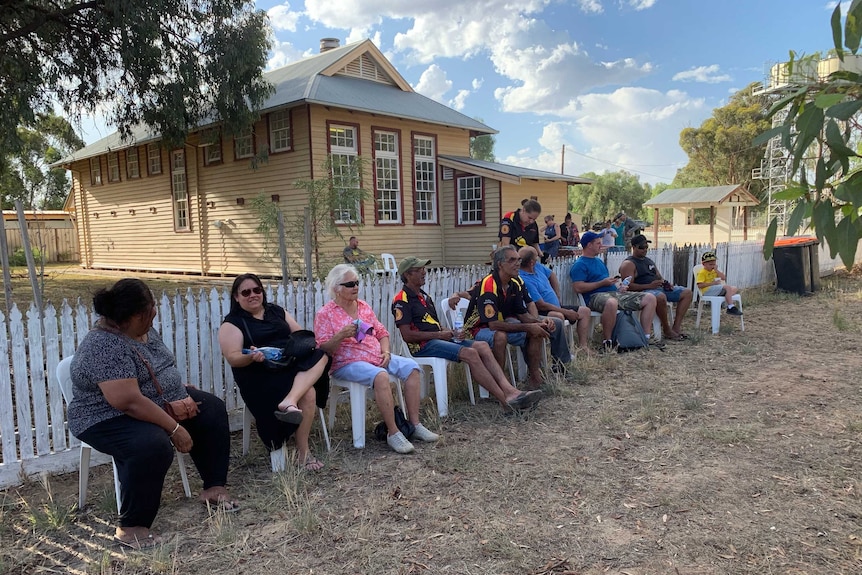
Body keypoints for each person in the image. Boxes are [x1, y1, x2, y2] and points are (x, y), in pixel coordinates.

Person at [68, 278, 238, 550]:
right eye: (151, 309)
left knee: (212, 409)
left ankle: (213, 488)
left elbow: (158, 369)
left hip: (158, 401)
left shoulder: (142, 330)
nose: (155, 313)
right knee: (151, 445)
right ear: (134, 315)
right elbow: (128, 401)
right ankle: (131, 526)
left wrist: (179, 390)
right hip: (105, 417)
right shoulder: (104, 345)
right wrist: (174, 428)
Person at [315, 264, 439, 454]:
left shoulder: (363, 306)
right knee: (381, 375)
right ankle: (393, 432)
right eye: (350, 284)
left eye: (356, 283)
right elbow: (323, 349)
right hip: (347, 363)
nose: (355, 287)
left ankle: (414, 425)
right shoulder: (326, 314)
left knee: (412, 368)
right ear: (336, 288)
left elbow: (382, 333)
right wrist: (340, 335)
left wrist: (387, 352)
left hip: (375, 356)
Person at [392, 256, 542, 411]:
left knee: (482, 346)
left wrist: (450, 332)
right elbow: (407, 335)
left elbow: (432, 325)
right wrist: (439, 335)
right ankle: (505, 400)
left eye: (424, 269)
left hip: (437, 339)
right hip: (422, 346)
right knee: (470, 353)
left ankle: (511, 391)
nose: (424, 273)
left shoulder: (424, 296)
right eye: (419, 270)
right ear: (408, 275)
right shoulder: (401, 300)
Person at [218, 273, 330, 471]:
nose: (252, 295)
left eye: (257, 290)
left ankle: (291, 406)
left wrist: (296, 346)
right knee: (309, 392)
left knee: (322, 355)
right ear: (236, 297)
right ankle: (302, 450)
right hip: (258, 373)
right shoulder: (232, 323)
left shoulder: (276, 311)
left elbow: (299, 334)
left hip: (286, 364)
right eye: (246, 292)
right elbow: (233, 358)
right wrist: (251, 357)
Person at [464, 245, 553, 390]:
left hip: (501, 324)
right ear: (500, 264)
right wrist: (528, 326)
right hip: (476, 329)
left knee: (536, 330)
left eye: (519, 259)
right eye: (512, 260)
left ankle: (535, 377)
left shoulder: (515, 282)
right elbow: (492, 325)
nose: (517, 263)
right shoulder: (489, 284)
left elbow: (523, 315)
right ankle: (501, 384)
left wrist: (539, 322)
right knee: (500, 337)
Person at [569, 231, 657, 351]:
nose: (601, 245)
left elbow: (606, 282)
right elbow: (578, 287)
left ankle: (644, 337)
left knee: (650, 298)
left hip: (613, 294)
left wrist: (620, 287)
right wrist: (602, 283)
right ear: (589, 245)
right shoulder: (579, 264)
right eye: (598, 243)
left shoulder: (599, 261)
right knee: (611, 303)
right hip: (594, 297)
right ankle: (608, 341)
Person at [517, 246, 593, 354]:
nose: (539, 257)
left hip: (555, 306)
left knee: (585, 311)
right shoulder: (524, 279)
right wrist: (565, 311)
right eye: (536, 257)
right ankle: (561, 353)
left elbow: (551, 274)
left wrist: (557, 294)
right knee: (558, 316)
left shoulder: (536, 267)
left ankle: (583, 346)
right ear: (531, 262)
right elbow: (540, 305)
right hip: (543, 310)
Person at [618, 235, 693, 341]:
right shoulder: (628, 264)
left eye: (646, 246)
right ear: (633, 247)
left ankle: (676, 327)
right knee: (660, 297)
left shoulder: (648, 261)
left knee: (687, 292)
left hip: (658, 288)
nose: (645, 249)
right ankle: (666, 329)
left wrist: (666, 283)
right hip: (643, 292)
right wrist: (649, 286)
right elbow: (628, 286)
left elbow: (658, 276)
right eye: (641, 247)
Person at [696, 251, 743, 315]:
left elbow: (723, 278)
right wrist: (712, 283)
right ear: (703, 264)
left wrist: (716, 270)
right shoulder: (702, 273)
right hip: (707, 291)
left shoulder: (714, 271)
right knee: (727, 287)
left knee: (734, 288)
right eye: (710, 264)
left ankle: (724, 301)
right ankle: (730, 307)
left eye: (714, 264)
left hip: (716, 289)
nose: (712, 266)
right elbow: (700, 285)